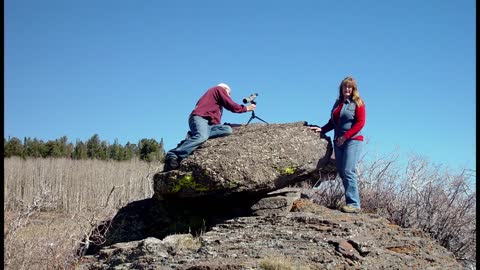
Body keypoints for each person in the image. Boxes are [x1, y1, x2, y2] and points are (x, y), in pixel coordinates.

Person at [163, 83, 256, 172]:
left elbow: (216, 123)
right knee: (202, 136)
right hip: (200, 117)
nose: (229, 96)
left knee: (227, 130)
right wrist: (246, 108)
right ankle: (173, 154)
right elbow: (231, 105)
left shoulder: (215, 103)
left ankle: (192, 137)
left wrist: (233, 126)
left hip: (208, 124)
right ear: (225, 89)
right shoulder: (218, 89)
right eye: (229, 93)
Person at [308, 76, 366, 213]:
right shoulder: (338, 103)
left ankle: (354, 204)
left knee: (348, 170)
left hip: (353, 140)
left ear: (353, 89)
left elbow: (360, 123)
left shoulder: (358, 103)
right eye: (345, 87)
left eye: (350, 87)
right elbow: (333, 122)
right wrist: (322, 129)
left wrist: (345, 137)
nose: (347, 89)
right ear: (341, 88)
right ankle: (350, 203)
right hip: (338, 141)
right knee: (341, 171)